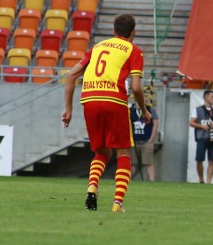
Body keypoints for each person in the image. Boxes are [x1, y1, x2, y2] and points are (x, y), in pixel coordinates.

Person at [61, 13, 151, 213]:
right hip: (113, 100)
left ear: (114, 31)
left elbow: (70, 75)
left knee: (101, 151)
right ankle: (117, 203)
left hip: (90, 100)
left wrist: (68, 108)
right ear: (133, 33)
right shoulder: (133, 50)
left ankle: (92, 186)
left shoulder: (98, 47)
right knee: (123, 151)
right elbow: (136, 87)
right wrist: (144, 110)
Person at [189, 90, 213, 185]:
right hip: (202, 137)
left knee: (212, 160)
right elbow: (191, 122)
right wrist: (202, 126)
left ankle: (208, 182)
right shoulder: (198, 109)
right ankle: (201, 180)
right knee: (199, 159)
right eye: (212, 96)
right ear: (206, 97)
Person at [131, 95, 159, 181]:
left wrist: (151, 139)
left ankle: (152, 181)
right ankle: (127, 181)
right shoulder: (131, 110)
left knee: (149, 163)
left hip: (146, 141)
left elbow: (156, 123)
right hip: (134, 142)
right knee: (132, 164)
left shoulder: (150, 109)